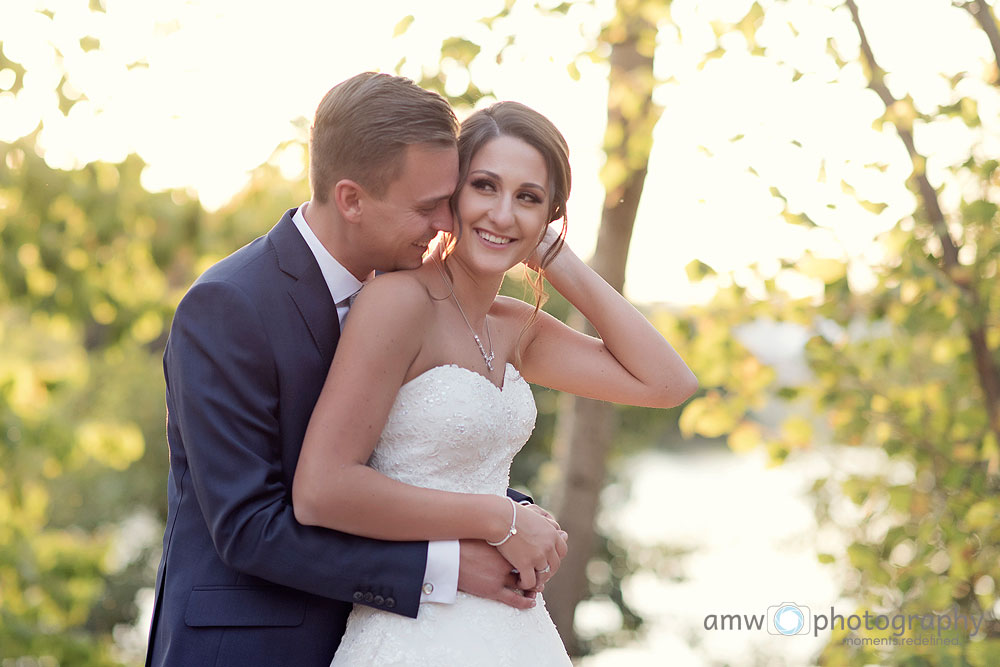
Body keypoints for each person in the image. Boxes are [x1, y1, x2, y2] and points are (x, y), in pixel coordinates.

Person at [145, 73, 566, 667]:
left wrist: (506, 506)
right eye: (429, 207)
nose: (449, 224)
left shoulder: (403, 297)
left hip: (378, 640)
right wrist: (442, 564)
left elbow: (399, 449)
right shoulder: (229, 305)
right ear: (351, 199)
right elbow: (248, 526)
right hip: (252, 646)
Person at [292, 101, 699, 665]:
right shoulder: (398, 302)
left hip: (513, 631)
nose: (503, 215)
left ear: (550, 214)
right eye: (485, 187)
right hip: (416, 629)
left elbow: (668, 383)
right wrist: (503, 518)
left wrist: (557, 259)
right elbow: (323, 489)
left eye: (528, 198)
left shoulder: (515, 327)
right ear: (453, 193)